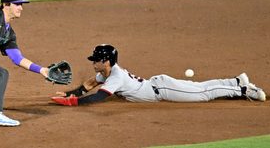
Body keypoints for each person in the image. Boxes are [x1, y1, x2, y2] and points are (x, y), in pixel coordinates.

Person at [51, 44, 266, 106]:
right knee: (199, 87)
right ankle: (235, 81)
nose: (93, 63)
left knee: (202, 93)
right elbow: (89, 85)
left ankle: (244, 89)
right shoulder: (108, 73)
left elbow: (99, 97)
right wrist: (71, 94)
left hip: (162, 89)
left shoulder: (115, 76)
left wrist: (74, 103)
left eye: (96, 60)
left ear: (106, 62)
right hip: (159, 84)